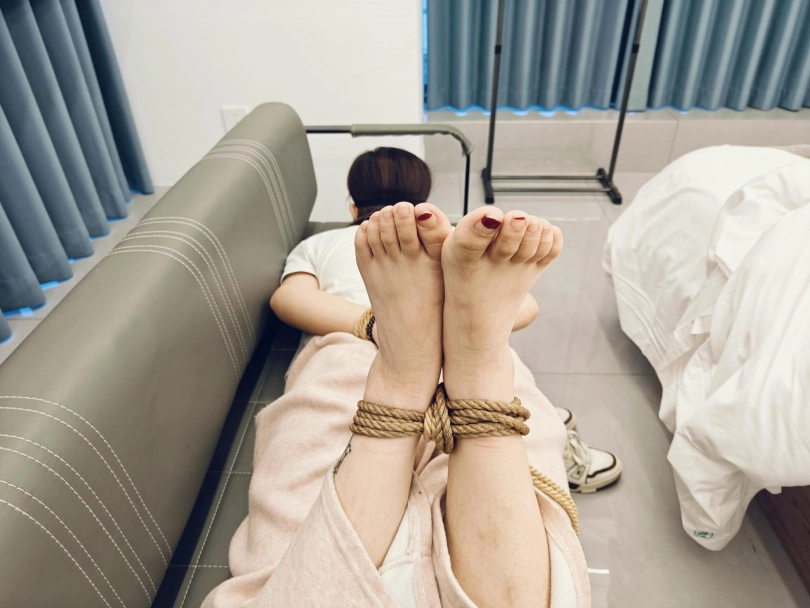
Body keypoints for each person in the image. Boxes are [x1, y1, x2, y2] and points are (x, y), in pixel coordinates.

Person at [271, 147, 622, 494]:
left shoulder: (322, 243)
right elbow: (526, 307)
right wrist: (391, 326)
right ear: (424, 200)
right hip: (438, 348)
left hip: (353, 349)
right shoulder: (451, 239)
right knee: (506, 402)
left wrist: (387, 327)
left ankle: (500, 380)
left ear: (352, 206)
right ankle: (543, 430)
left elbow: (290, 298)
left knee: (320, 456)